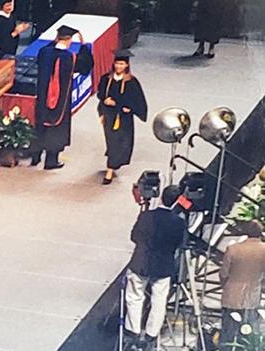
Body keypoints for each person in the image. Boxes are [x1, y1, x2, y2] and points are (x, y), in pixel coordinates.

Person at [124, 185, 186, 349]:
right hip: (163, 265)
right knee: (159, 300)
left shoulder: (146, 216)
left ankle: (133, 331)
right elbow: (179, 244)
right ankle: (151, 335)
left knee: (134, 297)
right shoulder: (178, 222)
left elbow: (134, 236)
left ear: (160, 197)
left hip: (141, 262)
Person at [31, 25, 94, 170]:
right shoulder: (70, 58)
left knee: (40, 125)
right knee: (56, 129)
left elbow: (46, 51)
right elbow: (86, 66)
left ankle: (35, 157)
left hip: (42, 99)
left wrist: (54, 42)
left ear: (57, 38)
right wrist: (84, 46)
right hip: (60, 102)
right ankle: (51, 161)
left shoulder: (44, 53)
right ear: (69, 40)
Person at [96, 49, 148, 185]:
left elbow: (135, 100)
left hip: (123, 118)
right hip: (109, 116)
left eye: (121, 64)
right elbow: (100, 94)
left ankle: (112, 165)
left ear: (126, 66)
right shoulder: (106, 79)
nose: (118, 66)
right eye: (117, 63)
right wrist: (103, 105)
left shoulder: (131, 82)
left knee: (122, 143)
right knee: (112, 142)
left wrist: (118, 103)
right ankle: (110, 168)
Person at [219, 220, 265, 348]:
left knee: (228, 331)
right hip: (252, 295)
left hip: (231, 295)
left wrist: (225, 285)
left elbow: (224, 273)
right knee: (248, 332)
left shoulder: (233, 249)